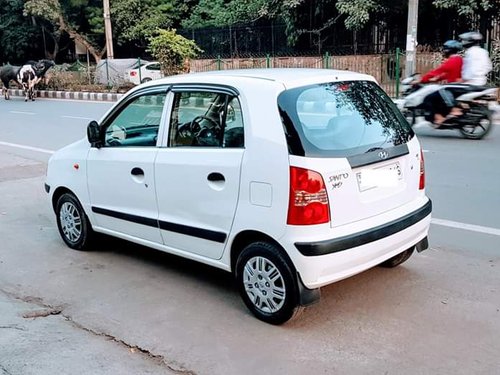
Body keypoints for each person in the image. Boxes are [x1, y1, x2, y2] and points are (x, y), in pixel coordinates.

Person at [414, 40, 463, 125]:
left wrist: (421, 80)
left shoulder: (452, 60)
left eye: (445, 49)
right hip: (455, 86)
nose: (444, 51)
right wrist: (436, 79)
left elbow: (436, 71)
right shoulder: (459, 59)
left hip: (451, 87)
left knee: (428, 98)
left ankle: (438, 117)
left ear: (449, 50)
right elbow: (447, 74)